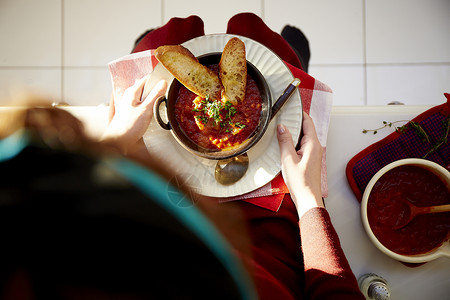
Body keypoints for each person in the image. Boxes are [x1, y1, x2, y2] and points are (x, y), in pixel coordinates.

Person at [0, 13, 364, 299]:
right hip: (269, 247)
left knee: (166, 40)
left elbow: (59, 231)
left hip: (143, 219)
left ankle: (147, 40)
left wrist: (113, 146)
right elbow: (334, 291)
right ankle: (294, 56)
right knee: (260, 40)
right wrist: (309, 201)